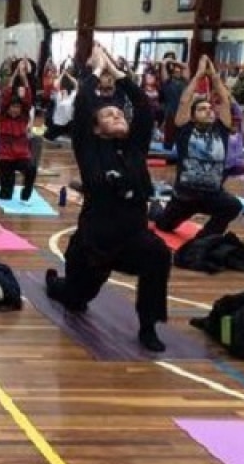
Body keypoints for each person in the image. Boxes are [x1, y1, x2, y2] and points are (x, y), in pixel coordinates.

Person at [45, 42, 173, 352]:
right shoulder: (90, 149)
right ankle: (57, 285)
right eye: (109, 114)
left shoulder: (135, 149)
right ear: (97, 128)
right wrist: (93, 72)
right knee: (75, 301)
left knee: (158, 254)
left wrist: (120, 75)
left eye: (119, 113)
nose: (117, 116)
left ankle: (148, 326)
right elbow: (84, 105)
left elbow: (143, 109)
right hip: (93, 245)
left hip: (132, 241)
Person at [151, 54, 244, 241]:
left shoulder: (222, 129)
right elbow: (185, 101)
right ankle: (155, 207)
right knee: (163, 224)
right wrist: (199, 74)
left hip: (212, 195)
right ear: (192, 117)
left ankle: (205, 238)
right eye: (202, 109)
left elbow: (225, 100)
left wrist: (213, 75)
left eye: (210, 108)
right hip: (185, 197)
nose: (209, 110)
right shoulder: (185, 130)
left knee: (233, 206)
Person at [0, 60, 37, 202]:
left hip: (21, 156)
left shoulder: (23, 118)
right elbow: (6, 93)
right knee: (5, 195)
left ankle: (26, 193)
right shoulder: (3, 118)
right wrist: (15, 74)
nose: (15, 109)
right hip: (6, 157)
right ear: (8, 108)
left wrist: (24, 76)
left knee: (31, 169)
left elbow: (28, 97)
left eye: (17, 107)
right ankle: (6, 188)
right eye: (12, 107)